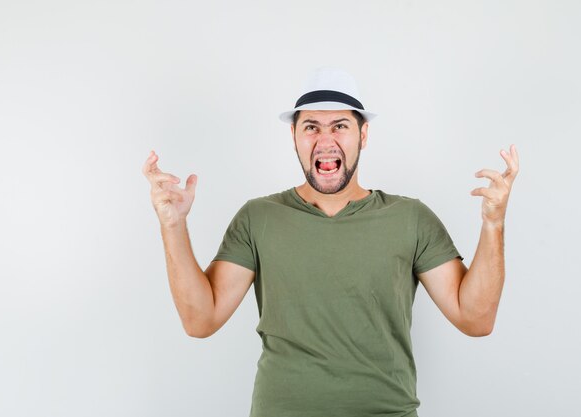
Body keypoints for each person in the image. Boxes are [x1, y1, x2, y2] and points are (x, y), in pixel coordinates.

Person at [141, 67, 520, 417]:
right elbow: (200, 319)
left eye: (339, 126)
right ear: (294, 136)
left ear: (363, 135)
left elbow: (476, 319)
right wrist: (172, 225)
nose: (325, 140)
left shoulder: (410, 219)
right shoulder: (259, 218)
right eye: (311, 127)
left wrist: (493, 223)